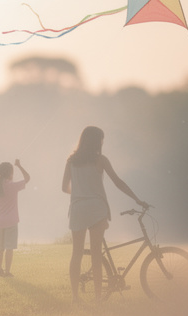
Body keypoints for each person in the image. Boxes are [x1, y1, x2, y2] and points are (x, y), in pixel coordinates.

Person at [60, 126, 147, 302]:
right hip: (96, 208)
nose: (102, 142)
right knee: (96, 253)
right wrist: (137, 199)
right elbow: (118, 183)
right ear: (97, 141)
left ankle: (75, 296)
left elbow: (64, 188)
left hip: (78, 208)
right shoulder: (101, 160)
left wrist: (80, 193)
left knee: (76, 254)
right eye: (101, 139)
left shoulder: (71, 161)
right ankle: (99, 297)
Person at [0, 159, 31, 277]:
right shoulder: (13, 186)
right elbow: (27, 178)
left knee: (0, 248)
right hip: (11, 221)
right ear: (10, 173)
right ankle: (7, 272)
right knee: (9, 248)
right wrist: (19, 165)